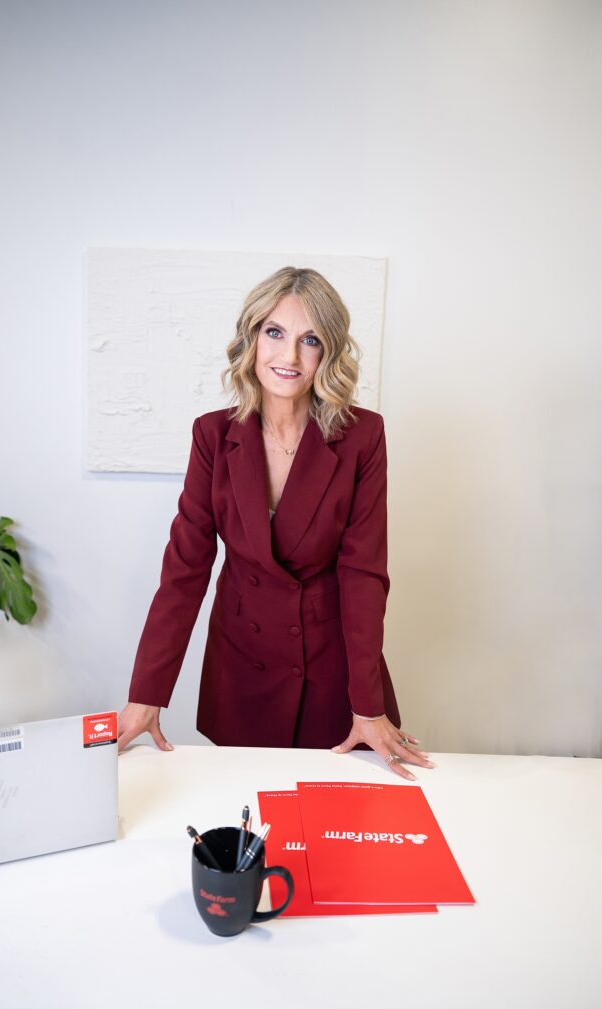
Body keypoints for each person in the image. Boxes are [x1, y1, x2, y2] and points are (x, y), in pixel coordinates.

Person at [118, 266, 435, 782]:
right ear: (251, 338)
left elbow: (363, 573)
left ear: (327, 352)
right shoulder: (212, 436)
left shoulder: (362, 437)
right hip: (242, 663)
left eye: (309, 340)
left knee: (340, 831)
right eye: (275, 333)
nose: (289, 357)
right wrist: (145, 696)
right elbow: (185, 571)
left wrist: (368, 704)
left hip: (334, 670)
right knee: (245, 826)